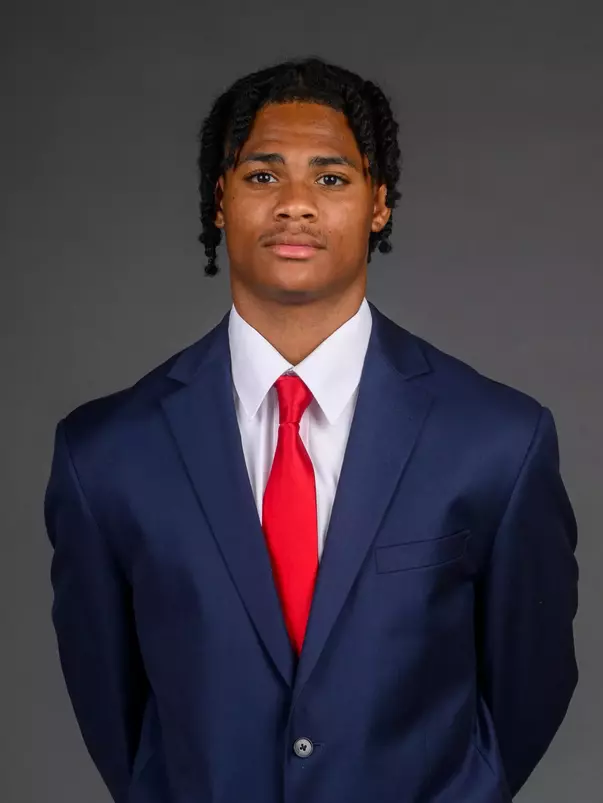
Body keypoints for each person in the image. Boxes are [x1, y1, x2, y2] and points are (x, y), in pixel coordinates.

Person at [43, 56, 579, 803]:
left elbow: (531, 679)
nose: (295, 204)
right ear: (219, 198)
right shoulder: (104, 454)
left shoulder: (497, 439)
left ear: (378, 204)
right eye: (263, 176)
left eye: (331, 178)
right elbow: (113, 708)